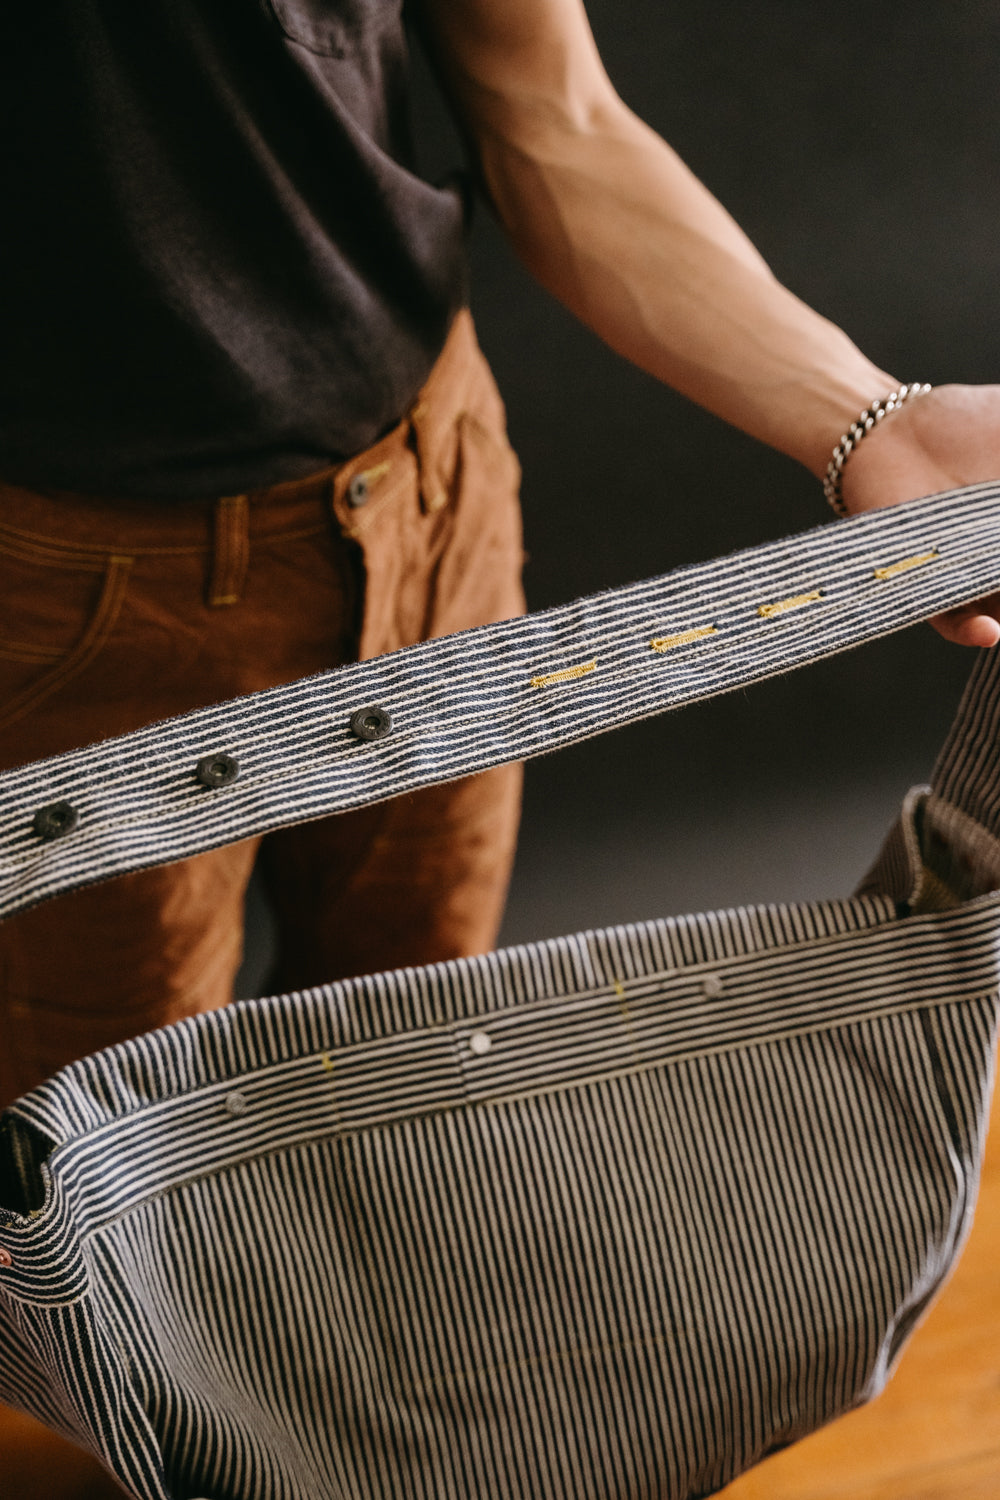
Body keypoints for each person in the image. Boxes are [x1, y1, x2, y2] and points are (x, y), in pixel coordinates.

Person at [3, 0, 999, 1494]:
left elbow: (552, 106)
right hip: (66, 585)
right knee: (112, 1220)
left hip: (429, 485)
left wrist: (875, 423)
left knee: (390, 1102)